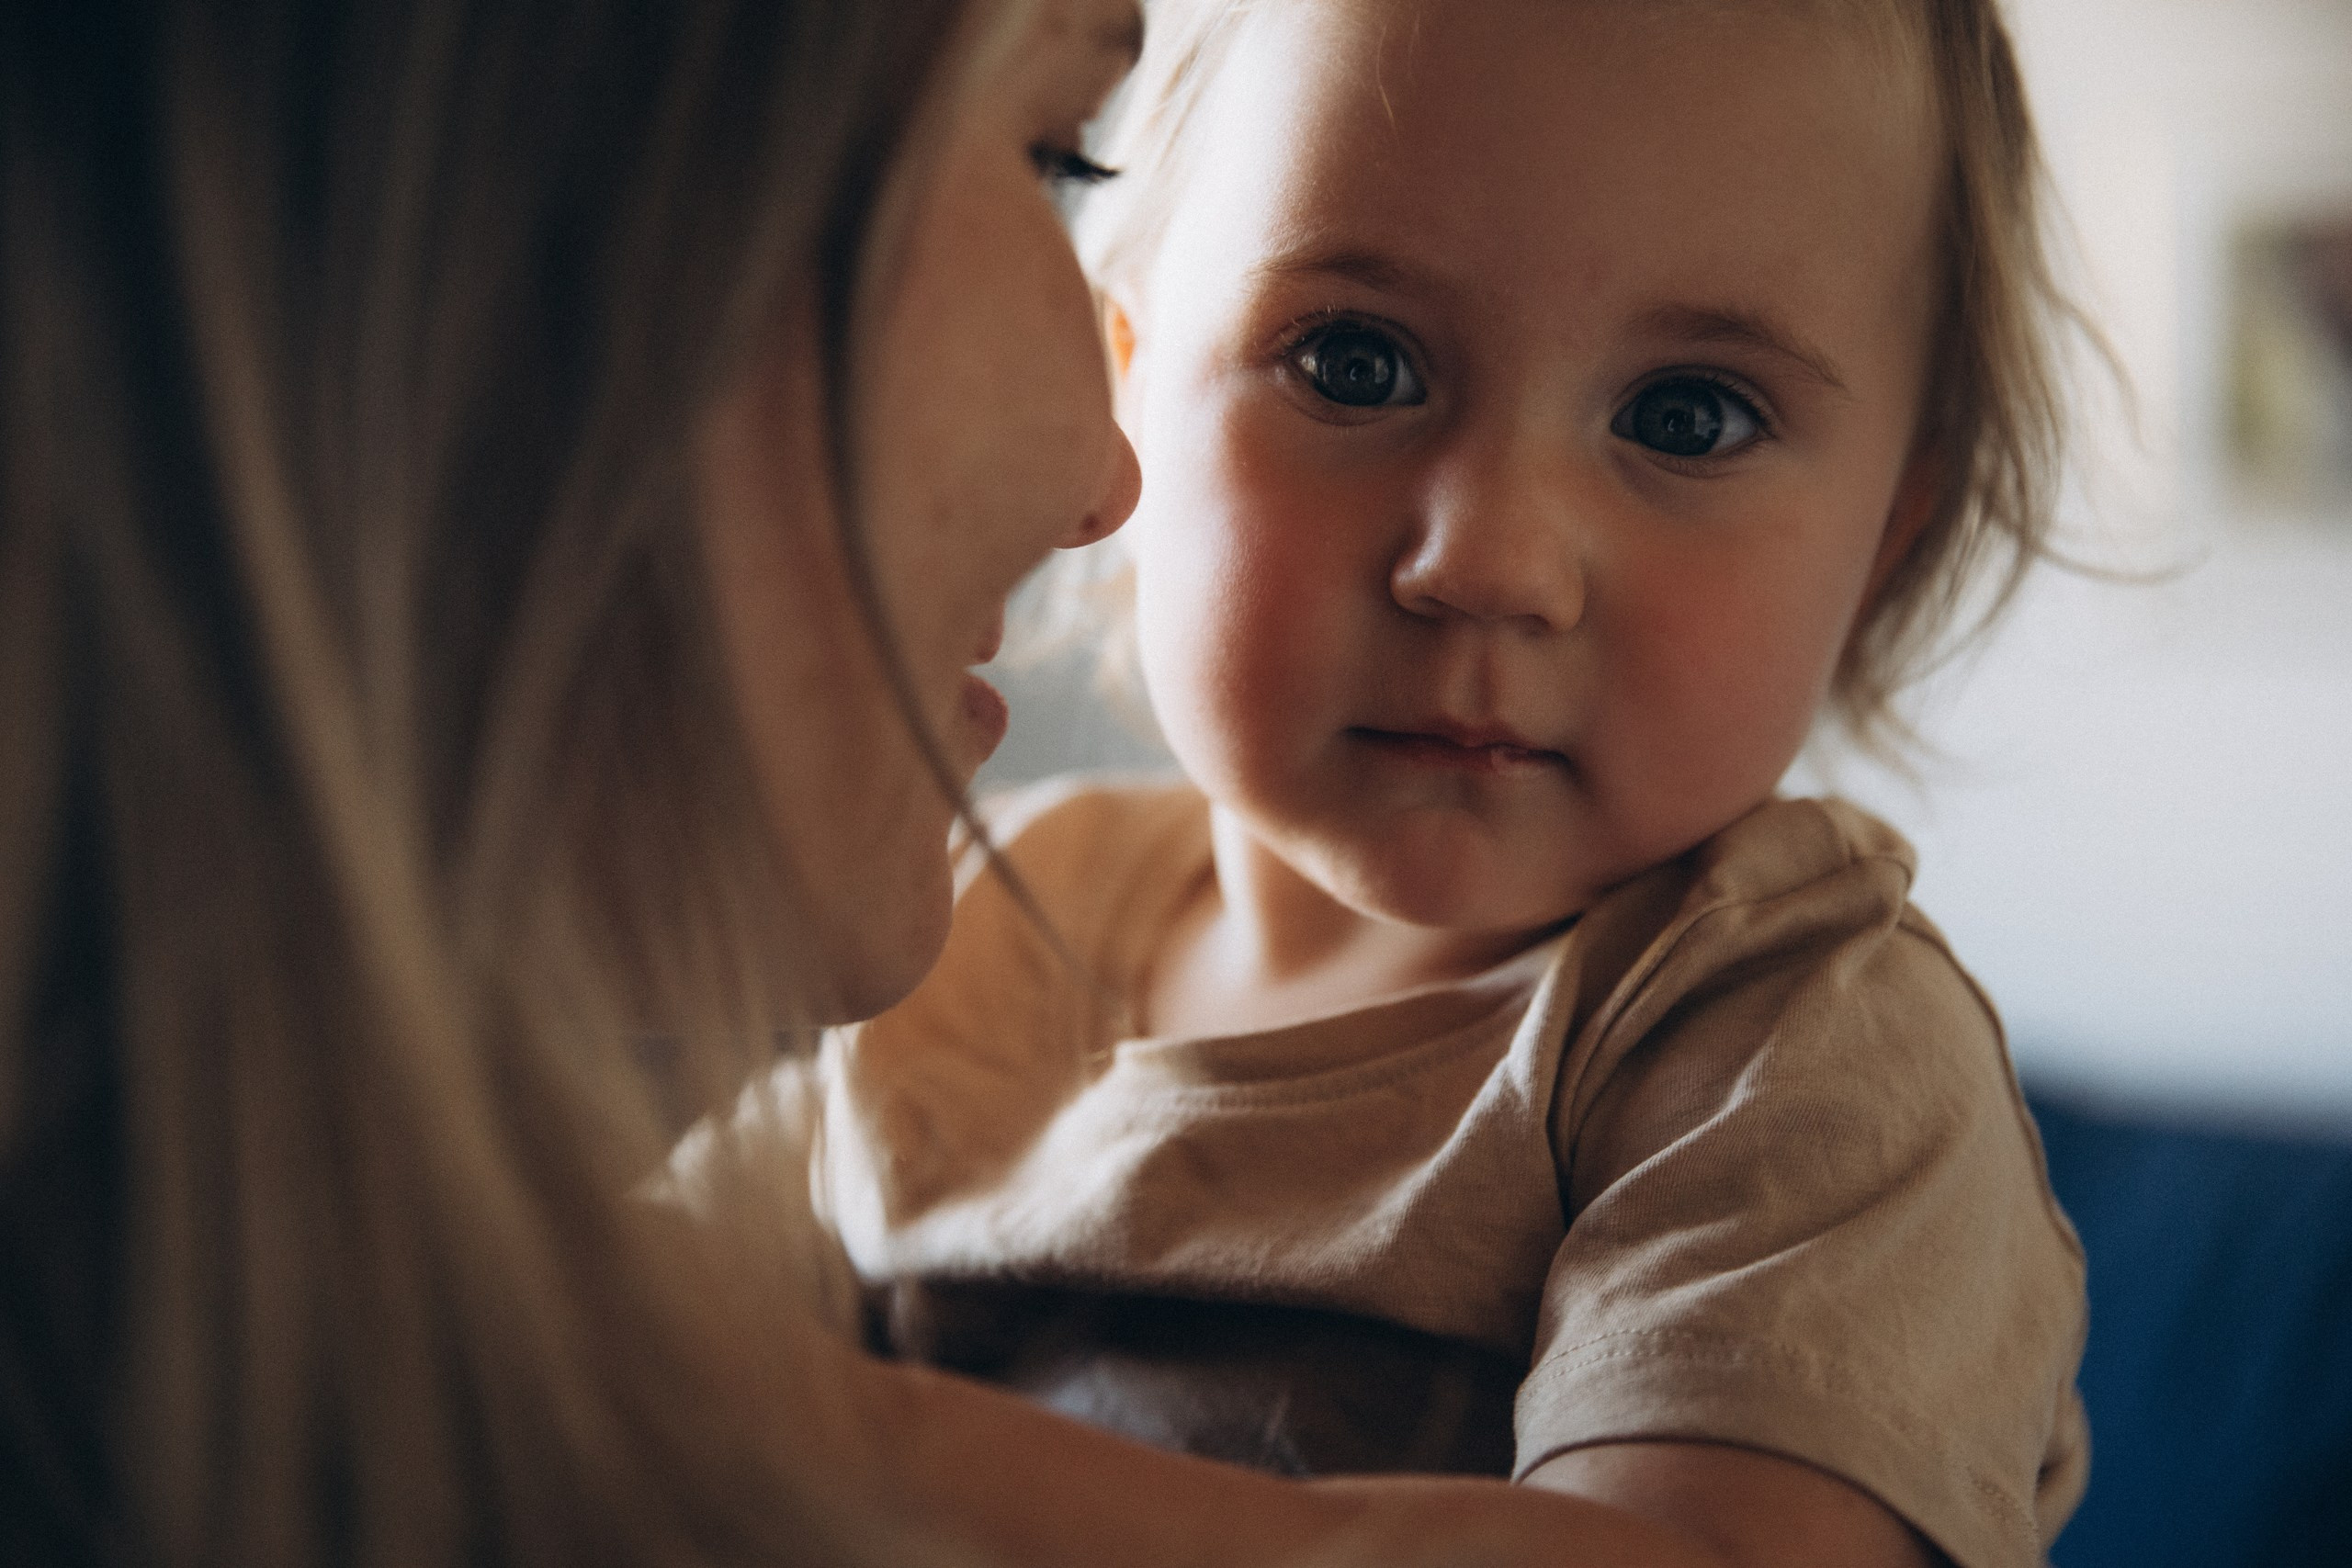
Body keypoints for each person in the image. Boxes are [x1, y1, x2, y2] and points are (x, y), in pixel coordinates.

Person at [5, 0, 1770, 1564]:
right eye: (1353, 363)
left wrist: (781, 1428)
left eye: (1687, 417)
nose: (1105, 478)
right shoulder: (1025, 910)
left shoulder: (1760, 1029)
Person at [753, 2, 2097, 1566]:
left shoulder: (1790, 1050)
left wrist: (851, 1453)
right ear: (1123, 403)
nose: (1494, 564)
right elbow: (566, 1323)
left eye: (1686, 416)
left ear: (1884, 543)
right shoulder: (979, 927)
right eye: (1355, 362)